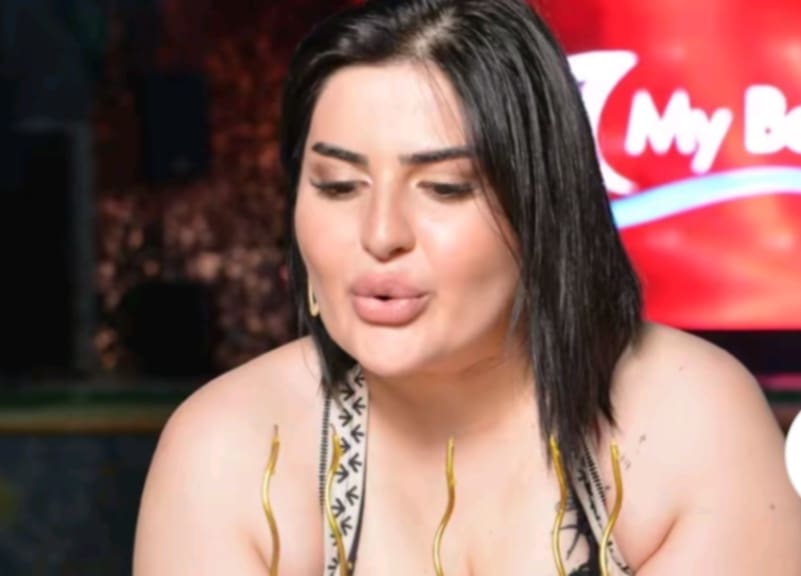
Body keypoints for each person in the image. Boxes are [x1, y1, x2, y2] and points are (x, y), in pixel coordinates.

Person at [132, 0, 801, 574]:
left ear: (543, 207)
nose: (381, 233)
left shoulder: (690, 421)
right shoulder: (228, 449)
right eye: (338, 187)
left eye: (445, 188)